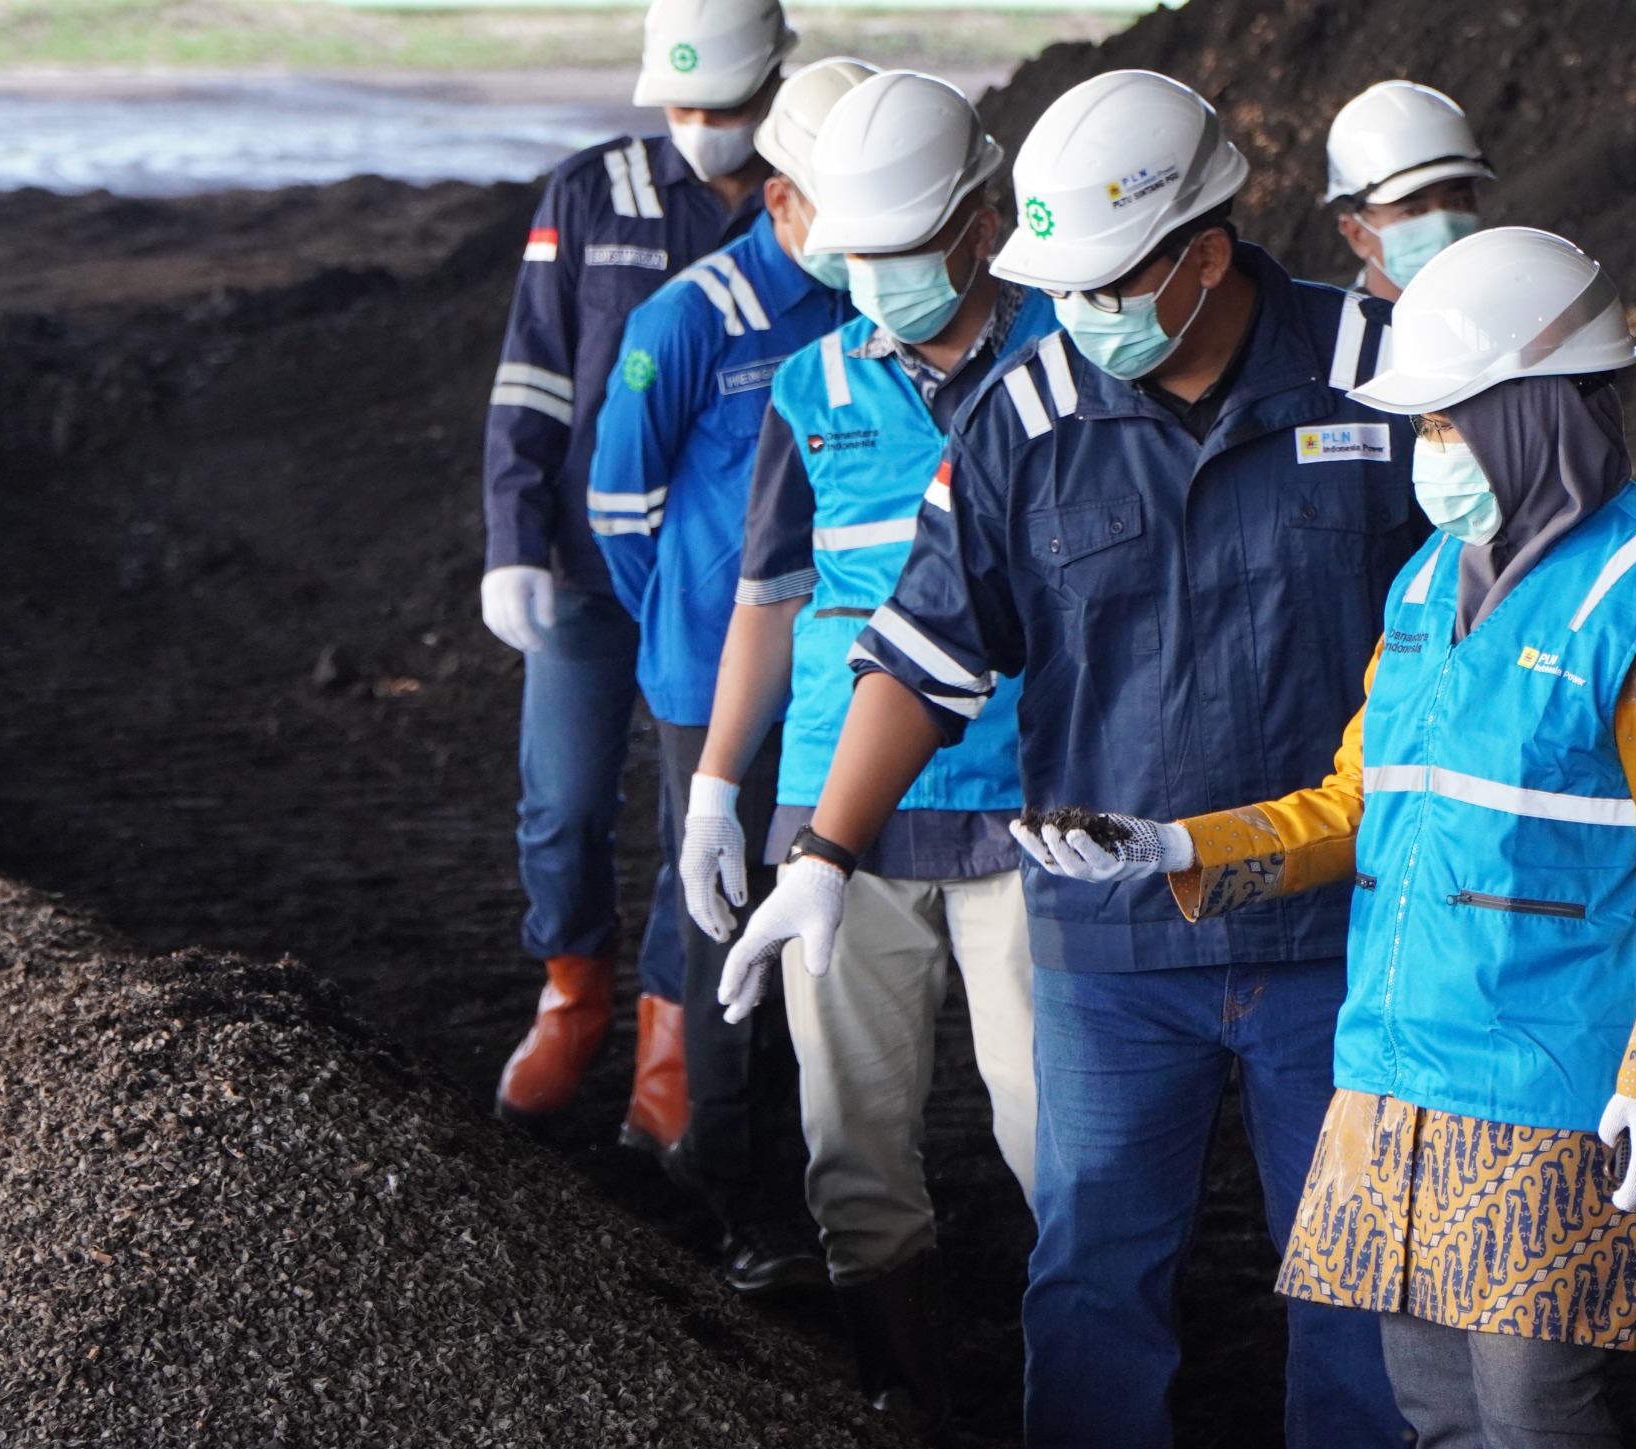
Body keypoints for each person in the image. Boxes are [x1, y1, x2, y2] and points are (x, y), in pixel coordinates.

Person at [718, 69, 1421, 1449]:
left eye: (1105, 285)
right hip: (1110, 953)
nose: (1080, 316)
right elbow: (926, 657)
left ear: (1203, 257)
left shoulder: (1381, 373)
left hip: (1339, 936)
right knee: (1093, 1279)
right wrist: (822, 854)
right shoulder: (1025, 416)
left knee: (1355, 1284)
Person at [1021, 228, 1636, 1449]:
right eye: (1426, 427)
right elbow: (1354, 801)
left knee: (1542, 1412)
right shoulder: (1423, 585)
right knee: (1429, 1409)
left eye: (1452, 423)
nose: (1431, 454)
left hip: (1546, 1088)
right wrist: (1174, 849)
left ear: (1533, 413)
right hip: (1392, 1071)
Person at [684, 69, 1046, 1436]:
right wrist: (719, 791)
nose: (880, 280)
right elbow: (767, 602)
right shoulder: (808, 386)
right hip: (837, 819)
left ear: (982, 222)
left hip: (1024, 804)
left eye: (904, 251)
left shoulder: (1070, 358)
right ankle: (904, 1397)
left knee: (1049, 1137)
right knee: (856, 1148)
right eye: (863, 255)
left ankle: (1072, 1386)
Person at [476, 0, 793, 1154]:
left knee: (694, 817)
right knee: (560, 802)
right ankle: (572, 993)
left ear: (775, 84)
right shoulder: (588, 192)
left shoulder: (807, 203)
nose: (702, 127)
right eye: (682, 106)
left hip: (718, 587)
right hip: (584, 566)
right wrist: (511, 536)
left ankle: (669, 1027)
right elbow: (536, 378)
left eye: (726, 107)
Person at [584, 53, 861, 1297]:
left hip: (858, 682)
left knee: (840, 936)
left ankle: (823, 1174)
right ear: (783, 196)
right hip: (721, 694)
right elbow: (619, 510)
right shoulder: (687, 320)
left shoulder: (873, 306)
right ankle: (741, 1190)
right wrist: (694, 640)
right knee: (727, 932)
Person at [1323, 80, 1494, 304]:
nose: (1443, 227)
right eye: (1412, 211)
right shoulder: (1330, 337)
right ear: (1357, 234)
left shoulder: (1527, 315)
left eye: (1458, 201)